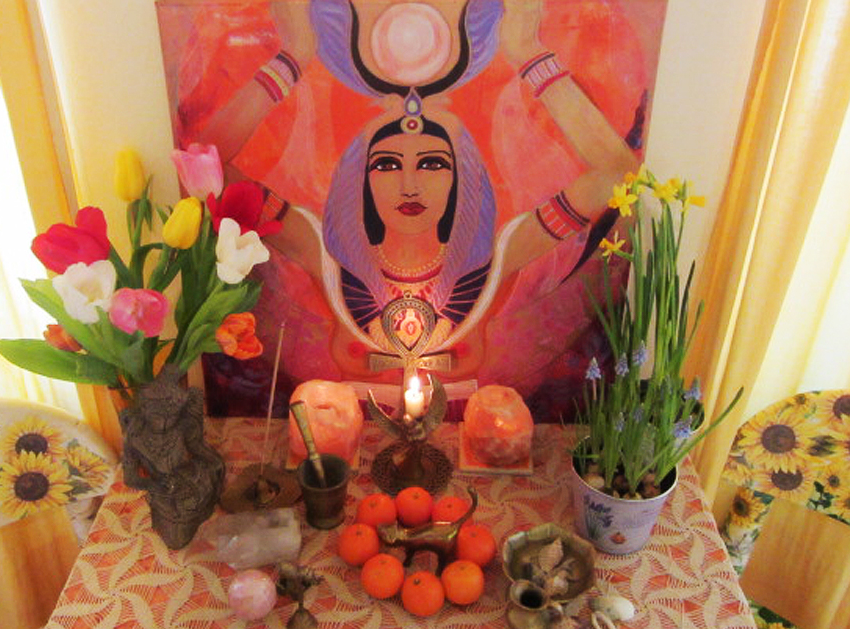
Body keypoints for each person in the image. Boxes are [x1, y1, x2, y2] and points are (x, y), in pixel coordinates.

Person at [193, 0, 639, 392]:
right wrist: (292, 58)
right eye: (387, 165)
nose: (409, 184)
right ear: (358, 179)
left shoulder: (495, 261)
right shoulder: (323, 255)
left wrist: (528, 52)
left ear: (462, 178)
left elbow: (617, 173)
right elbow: (207, 165)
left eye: (433, 164)